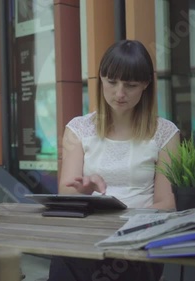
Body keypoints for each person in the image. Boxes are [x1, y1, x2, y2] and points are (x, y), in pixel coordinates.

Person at [48, 40, 180, 281]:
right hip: (85, 239)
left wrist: (126, 225)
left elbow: (167, 202)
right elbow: (66, 193)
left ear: (145, 85)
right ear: (101, 79)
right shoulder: (78, 129)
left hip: (138, 241)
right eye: (112, 82)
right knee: (67, 257)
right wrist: (84, 190)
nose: (120, 93)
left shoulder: (165, 132)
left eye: (130, 85)